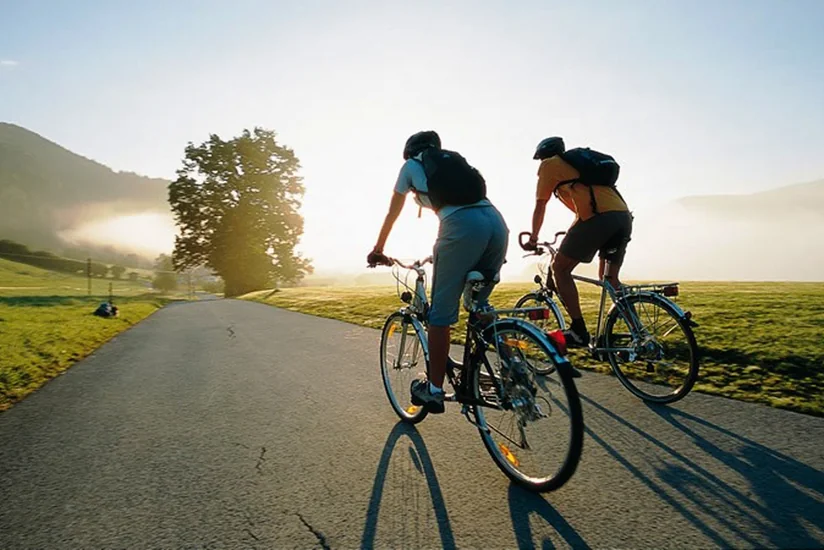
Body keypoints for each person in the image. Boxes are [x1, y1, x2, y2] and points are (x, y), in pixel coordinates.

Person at [367, 130, 509, 413]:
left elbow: (392, 212)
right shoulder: (454, 164)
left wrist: (378, 250)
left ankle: (433, 390)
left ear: (410, 151)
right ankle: (512, 368)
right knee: (479, 306)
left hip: (461, 226)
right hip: (496, 223)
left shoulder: (411, 166)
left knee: (440, 317)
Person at [524, 136, 633, 347]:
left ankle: (578, 331)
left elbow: (540, 205)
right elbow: (583, 210)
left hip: (600, 219)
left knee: (560, 268)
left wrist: (533, 238)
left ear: (543, 156)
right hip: (623, 217)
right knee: (610, 279)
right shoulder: (579, 170)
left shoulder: (550, 165)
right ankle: (638, 332)